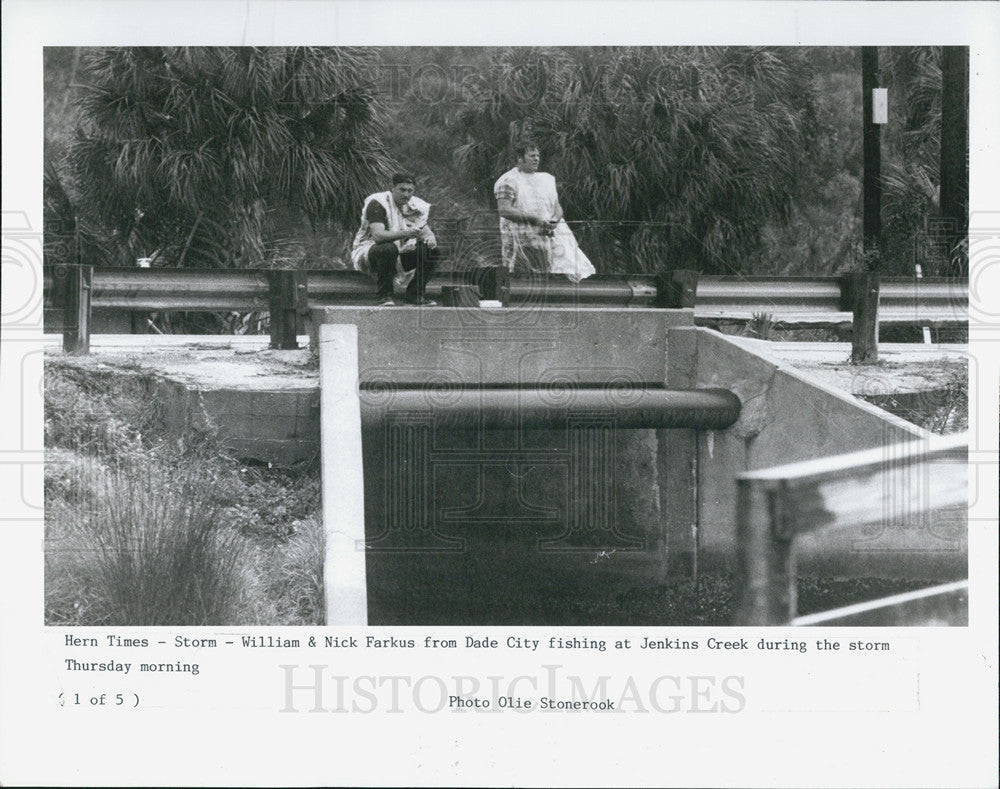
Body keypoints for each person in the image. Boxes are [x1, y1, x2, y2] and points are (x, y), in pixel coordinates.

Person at [493, 142, 595, 283]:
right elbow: (504, 209)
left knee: (564, 270)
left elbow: (557, 206)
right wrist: (534, 219)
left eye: (538, 155)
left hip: (552, 235)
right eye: (532, 155)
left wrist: (555, 219)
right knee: (525, 276)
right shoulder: (507, 180)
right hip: (523, 239)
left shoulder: (545, 179)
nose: (537, 159)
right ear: (520, 158)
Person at [351, 173, 440, 305]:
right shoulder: (378, 202)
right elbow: (378, 236)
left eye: (410, 191)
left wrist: (430, 238)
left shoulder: (414, 205)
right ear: (392, 188)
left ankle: (414, 296)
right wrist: (405, 233)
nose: (406, 195)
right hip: (369, 252)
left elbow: (426, 231)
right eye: (402, 190)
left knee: (432, 252)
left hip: (398, 253)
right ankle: (384, 296)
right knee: (388, 248)